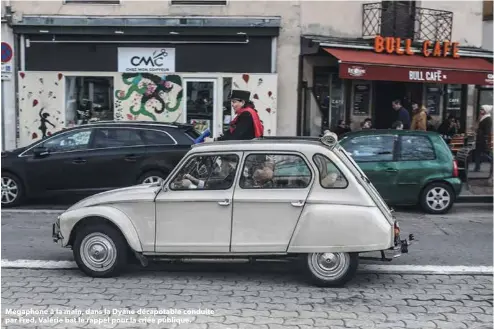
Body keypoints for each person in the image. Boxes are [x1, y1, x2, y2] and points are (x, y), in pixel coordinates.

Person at [474, 105, 493, 172]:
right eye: (480, 109)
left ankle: (491, 161)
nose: (480, 110)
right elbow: (477, 126)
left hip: (482, 139)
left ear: (486, 110)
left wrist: (486, 139)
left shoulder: (488, 119)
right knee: (478, 153)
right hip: (480, 138)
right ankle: (477, 167)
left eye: (482, 109)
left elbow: (487, 131)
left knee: (482, 153)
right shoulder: (482, 117)